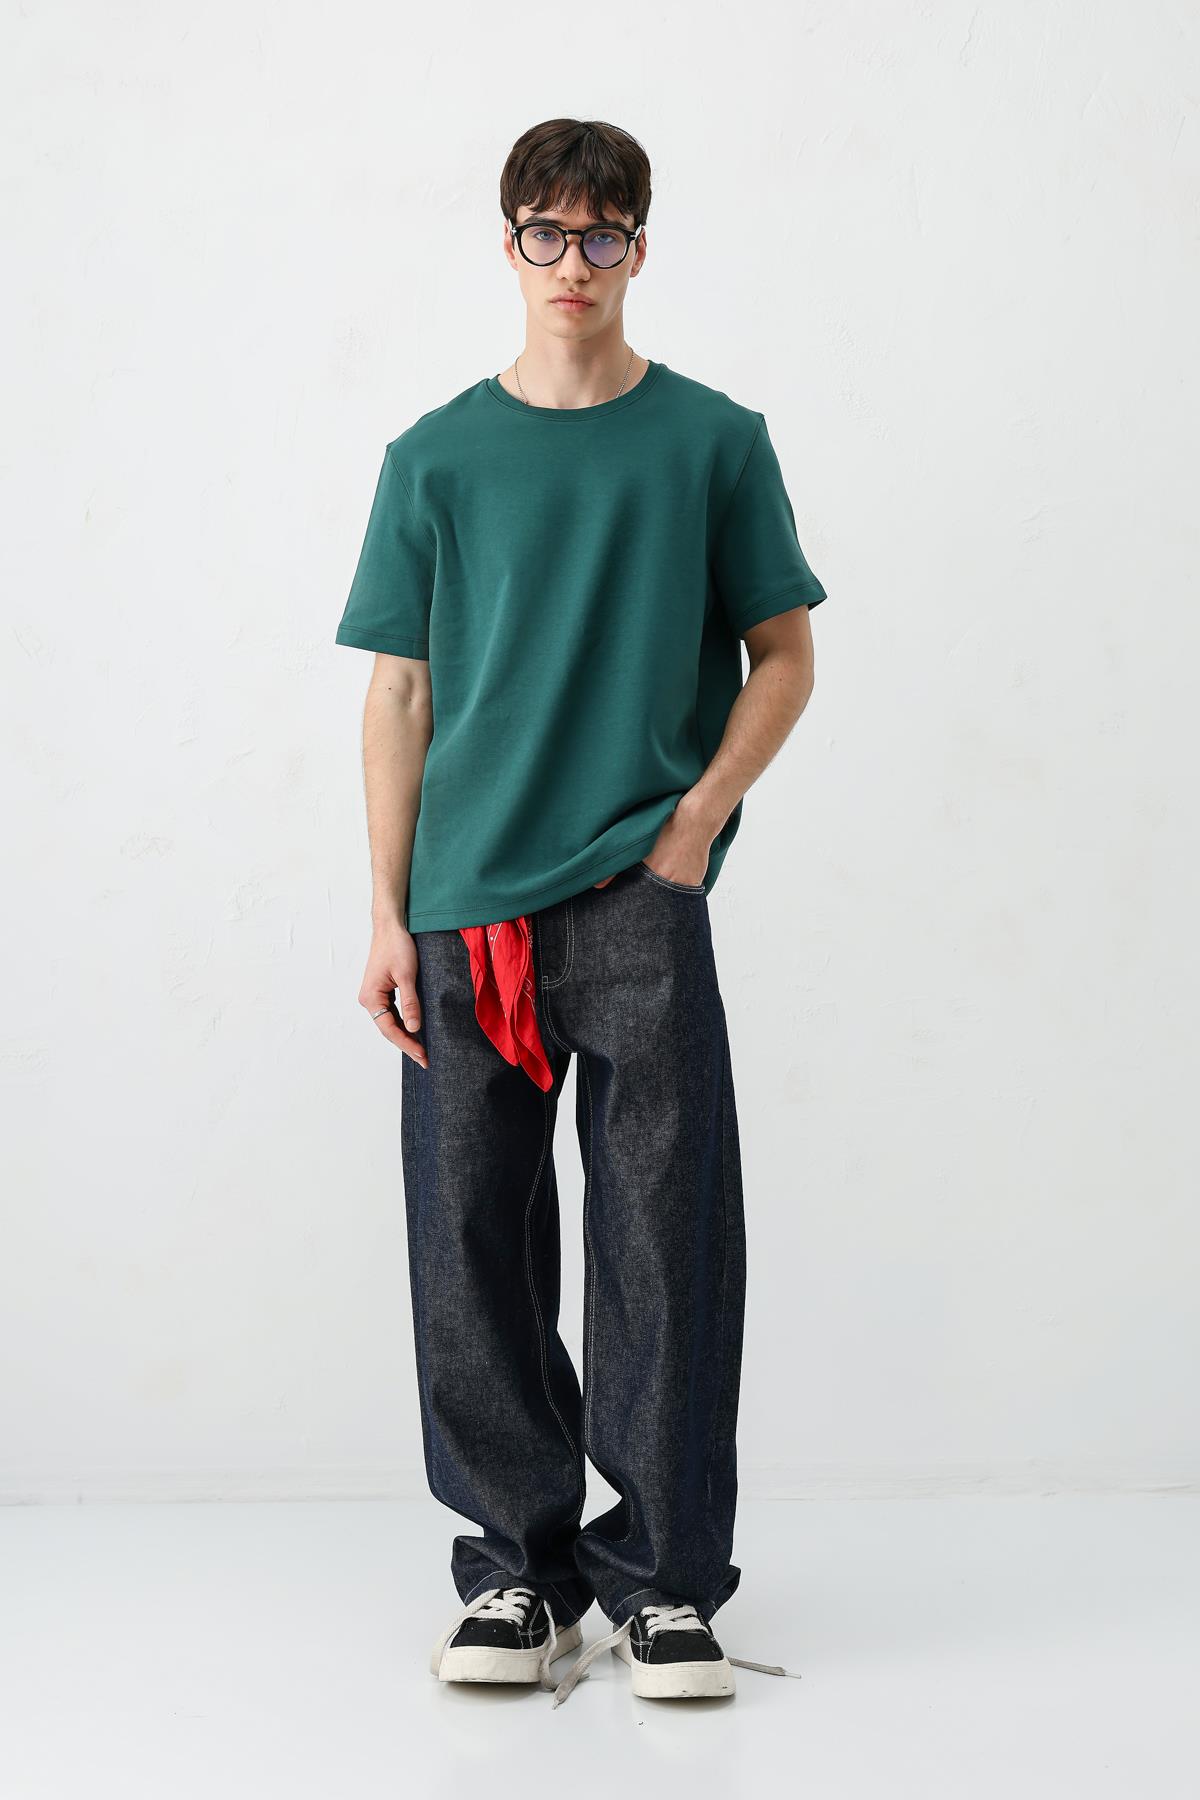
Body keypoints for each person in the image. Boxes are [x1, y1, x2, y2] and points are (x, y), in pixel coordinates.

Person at [335, 117, 827, 1706]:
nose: (573, 262)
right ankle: (516, 1572)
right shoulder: (433, 457)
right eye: (545, 233)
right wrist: (384, 910)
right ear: (508, 247)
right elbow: (399, 694)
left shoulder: (713, 441)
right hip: (461, 909)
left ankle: (665, 1584)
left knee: (666, 1241)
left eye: (601, 233)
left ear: (639, 248)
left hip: (636, 894)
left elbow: (785, 654)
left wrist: (692, 827)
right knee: (470, 1241)